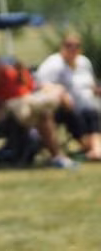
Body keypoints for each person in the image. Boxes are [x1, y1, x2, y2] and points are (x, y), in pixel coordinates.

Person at [0, 35, 75, 168]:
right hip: (2, 109)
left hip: (26, 101)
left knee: (43, 112)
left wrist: (20, 72)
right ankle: (58, 155)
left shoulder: (6, 67)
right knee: (38, 107)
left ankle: (58, 157)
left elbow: (29, 86)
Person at [36, 31, 101, 161]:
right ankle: (94, 149)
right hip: (65, 108)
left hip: (89, 104)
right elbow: (41, 84)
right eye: (69, 45)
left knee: (91, 111)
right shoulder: (53, 63)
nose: (73, 48)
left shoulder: (84, 62)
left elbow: (91, 85)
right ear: (62, 46)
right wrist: (61, 93)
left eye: (76, 45)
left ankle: (95, 149)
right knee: (86, 114)